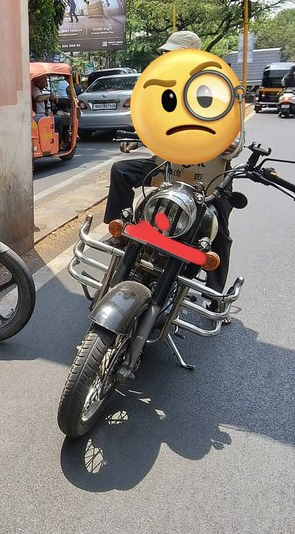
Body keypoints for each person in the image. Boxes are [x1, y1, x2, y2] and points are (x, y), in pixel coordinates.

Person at [102, 30, 238, 318]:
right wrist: (137, 139)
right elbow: (156, 124)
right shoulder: (166, 88)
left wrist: (231, 144)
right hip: (167, 168)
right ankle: (120, 232)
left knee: (218, 230)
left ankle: (215, 297)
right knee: (121, 170)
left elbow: (235, 135)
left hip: (210, 176)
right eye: (166, 53)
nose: (165, 57)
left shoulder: (214, 87)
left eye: (172, 53)